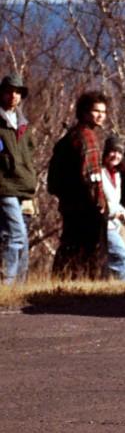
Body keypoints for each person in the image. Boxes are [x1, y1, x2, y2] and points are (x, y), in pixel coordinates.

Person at [51, 90, 110, 280]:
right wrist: (100, 203)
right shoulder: (87, 137)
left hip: (70, 204)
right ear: (85, 112)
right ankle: (92, 287)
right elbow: (91, 176)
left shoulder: (70, 136)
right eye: (96, 111)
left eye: (103, 112)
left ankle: (61, 282)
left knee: (69, 246)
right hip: (86, 205)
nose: (100, 115)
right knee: (93, 250)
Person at [0, 73, 36, 284]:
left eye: (18, 92)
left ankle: (19, 288)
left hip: (24, 187)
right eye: (9, 91)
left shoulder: (24, 124)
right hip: (4, 187)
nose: (13, 95)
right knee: (16, 236)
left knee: (22, 239)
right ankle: (8, 284)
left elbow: (30, 155)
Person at [101, 135, 125, 280]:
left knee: (111, 263)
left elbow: (116, 201)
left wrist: (124, 213)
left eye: (119, 152)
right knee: (124, 259)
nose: (116, 156)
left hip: (115, 224)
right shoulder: (100, 173)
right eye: (113, 151)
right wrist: (114, 212)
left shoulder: (117, 175)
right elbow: (100, 199)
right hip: (104, 225)